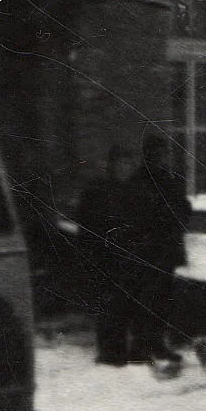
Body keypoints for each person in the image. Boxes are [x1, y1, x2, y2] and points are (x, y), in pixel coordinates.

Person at [77, 137, 193, 374]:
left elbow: (154, 222)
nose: (124, 168)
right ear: (111, 165)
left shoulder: (141, 191)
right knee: (112, 308)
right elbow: (87, 226)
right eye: (120, 164)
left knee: (144, 306)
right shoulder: (98, 191)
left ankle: (142, 350)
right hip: (108, 259)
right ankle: (112, 354)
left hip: (140, 257)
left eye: (127, 164)